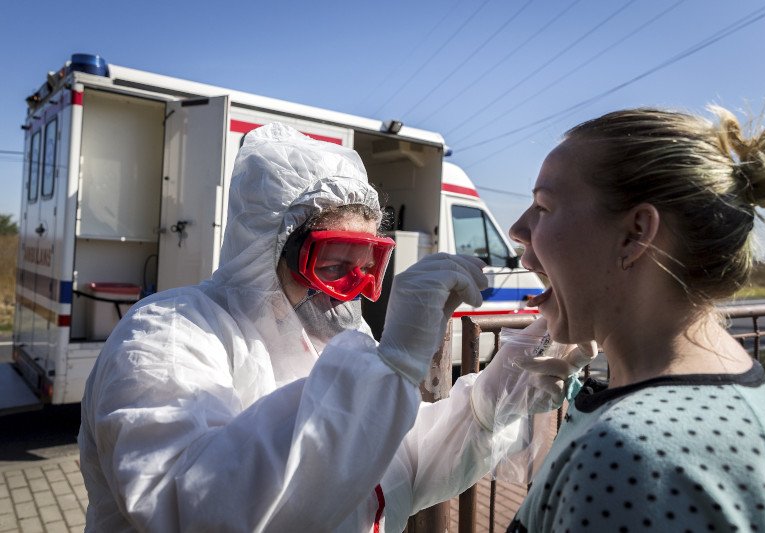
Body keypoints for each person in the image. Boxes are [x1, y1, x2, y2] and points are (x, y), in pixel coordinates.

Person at [78, 123, 591, 532]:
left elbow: (397, 471)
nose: (342, 289)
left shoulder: (326, 342)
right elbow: (198, 509)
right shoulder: (167, 336)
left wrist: (502, 391)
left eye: (365, 263)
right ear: (264, 250)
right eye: (331, 262)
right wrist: (389, 368)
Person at [505, 106, 765, 532]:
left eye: (543, 207)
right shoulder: (729, 380)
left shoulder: (633, 457)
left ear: (636, 233)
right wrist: (586, 399)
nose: (518, 229)